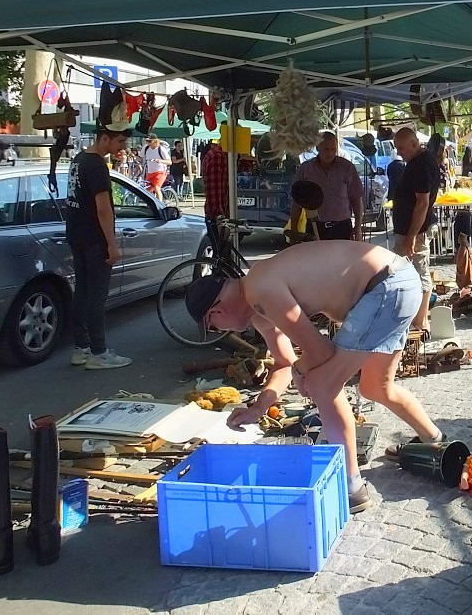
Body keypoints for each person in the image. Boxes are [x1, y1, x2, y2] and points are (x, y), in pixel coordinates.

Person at [184, 241, 445, 514]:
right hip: (400, 281)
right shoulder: (257, 299)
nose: (220, 331)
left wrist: (301, 371)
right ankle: (436, 440)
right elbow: (284, 364)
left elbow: (320, 351)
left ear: (216, 312)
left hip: (387, 287)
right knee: (376, 387)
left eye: (214, 328)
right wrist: (259, 407)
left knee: (322, 384)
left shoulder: (260, 290)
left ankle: (350, 488)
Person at [65, 126, 133, 369]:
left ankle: (81, 347)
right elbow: (103, 208)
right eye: (120, 141)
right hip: (95, 237)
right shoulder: (96, 165)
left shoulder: (79, 160)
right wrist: (112, 245)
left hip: (77, 234)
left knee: (82, 291)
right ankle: (98, 352)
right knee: (97, 295)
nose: (122, 147)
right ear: (105, 138)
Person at [391, 127, 441, 335]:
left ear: (413, 144)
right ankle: (416, 319)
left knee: (418, 273)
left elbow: (422, 203)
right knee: (406, 271)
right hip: (409, 229)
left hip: (415, 231)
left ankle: (420, 323)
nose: (399, 152)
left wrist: (411, 235)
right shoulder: (417, 161)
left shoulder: (422, 164)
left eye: (401, 148)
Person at [288, 131, 364, 242]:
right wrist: (293, 230)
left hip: (341, 227)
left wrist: (358, 228)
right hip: (314, 227)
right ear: (317, 148)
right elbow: (297, 202)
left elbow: (356, 199)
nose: (330, 153)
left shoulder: (347, 168)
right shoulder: (306, 169)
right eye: (326, 149)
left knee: (340, 259)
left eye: (333, 149)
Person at [201, 139, 229, 244]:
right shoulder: (218, 156)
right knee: (219, 251)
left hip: (217, 214)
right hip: (217, 216)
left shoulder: (218, 154)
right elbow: (215, 190)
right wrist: (220, 215)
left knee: (221, 253)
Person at [141, 134, 171, 200]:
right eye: (146, 141)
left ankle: (160, 206)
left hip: (160, 172)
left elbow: (169, 162)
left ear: (155, 141)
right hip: (150, 172)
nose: (148, 143)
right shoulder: (146, 148)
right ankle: (150, 204)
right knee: (147, 190)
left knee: (157, 188)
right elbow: (140, 156)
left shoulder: (161, 149)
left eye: (149, 141)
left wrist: (160, 161)